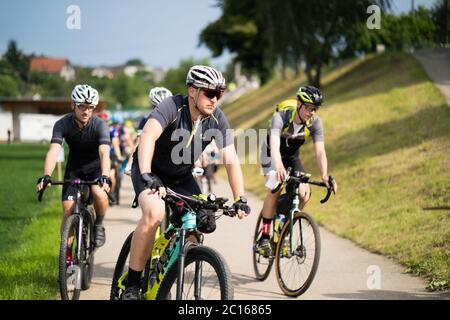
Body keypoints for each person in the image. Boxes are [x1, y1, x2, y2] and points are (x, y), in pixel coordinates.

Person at [122, 65, 251, 300]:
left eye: (219, 94)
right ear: (192, 91)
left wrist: (239, 198)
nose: (215, 100)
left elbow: (230, 157)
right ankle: (132, 284)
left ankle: (170, 269)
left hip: (181, 176)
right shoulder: (172, 106)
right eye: (209, 93)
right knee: (154, 213)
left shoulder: (216, 118)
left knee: (203, 221)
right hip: (150, 170)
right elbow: (148, 136)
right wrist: (147, 175)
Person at [256, 85, 338, 256]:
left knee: (304, 193)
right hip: (271, 154)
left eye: (315, 109)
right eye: (309, 108)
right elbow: (274, 144)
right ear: (299, 104)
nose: (312, 112)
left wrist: (324, 175)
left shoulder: (315, 123)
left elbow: (320, 151)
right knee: (275, 186)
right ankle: (264, 237)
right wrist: (278, 165)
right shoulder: (281, 117)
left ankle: (283, 230)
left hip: (292, 156)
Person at [36, 84, 111, 248]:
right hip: (74, 168)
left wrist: (105, 176)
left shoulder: (100, 125)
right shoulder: (62, 124)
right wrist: (47, 175)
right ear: (73, 105)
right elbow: (54, 151)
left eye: (90, 107)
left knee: (99, 193)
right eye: (82, 106)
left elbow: (105, 152)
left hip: (96, 168)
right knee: (68, 211)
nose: (86, 111)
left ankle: (98, 224)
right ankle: (67, 255)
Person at [124, 87, 173, 175]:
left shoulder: (176, 118)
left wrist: (195, 164)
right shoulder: (146, 119)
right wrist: (130, 164)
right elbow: (139, 142)